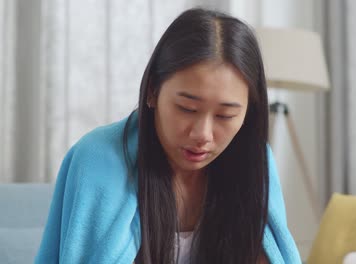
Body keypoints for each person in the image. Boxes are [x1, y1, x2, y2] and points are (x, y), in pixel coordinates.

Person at [34, 7, 301, 264]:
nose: (202, 134)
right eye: (187, 108)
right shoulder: (99, 158)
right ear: (152, 91)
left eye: (225, 116)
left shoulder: (254, 159)